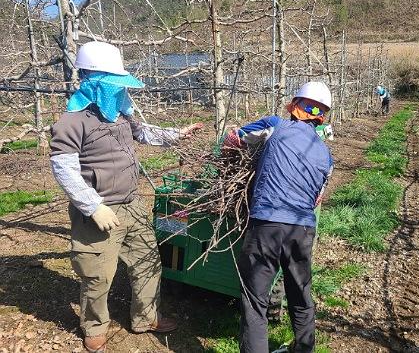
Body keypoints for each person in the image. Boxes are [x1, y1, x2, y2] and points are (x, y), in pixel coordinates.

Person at [49, 41, 201, 353]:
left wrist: (178, 134)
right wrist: (93, 207)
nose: (122, 92)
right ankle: (94, 326)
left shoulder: (120, 115)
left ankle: (146, 317)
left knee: (147, 261)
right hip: (100, 213)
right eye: (115, 86)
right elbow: (62, 168)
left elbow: (144, 132)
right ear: (94, 83)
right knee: (98, 274)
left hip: (133, 204)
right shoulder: (72, 122)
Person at [223, 81, 334, 353]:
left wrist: (229, 151)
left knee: (255, 299)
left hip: (267, 226)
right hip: (303, 229)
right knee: (300, 292)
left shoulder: (276, 125)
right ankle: (303, 348)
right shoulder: (326, 154)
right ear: (321, 117)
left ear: (295, 106)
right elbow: (317, 197)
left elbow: (236, 137)